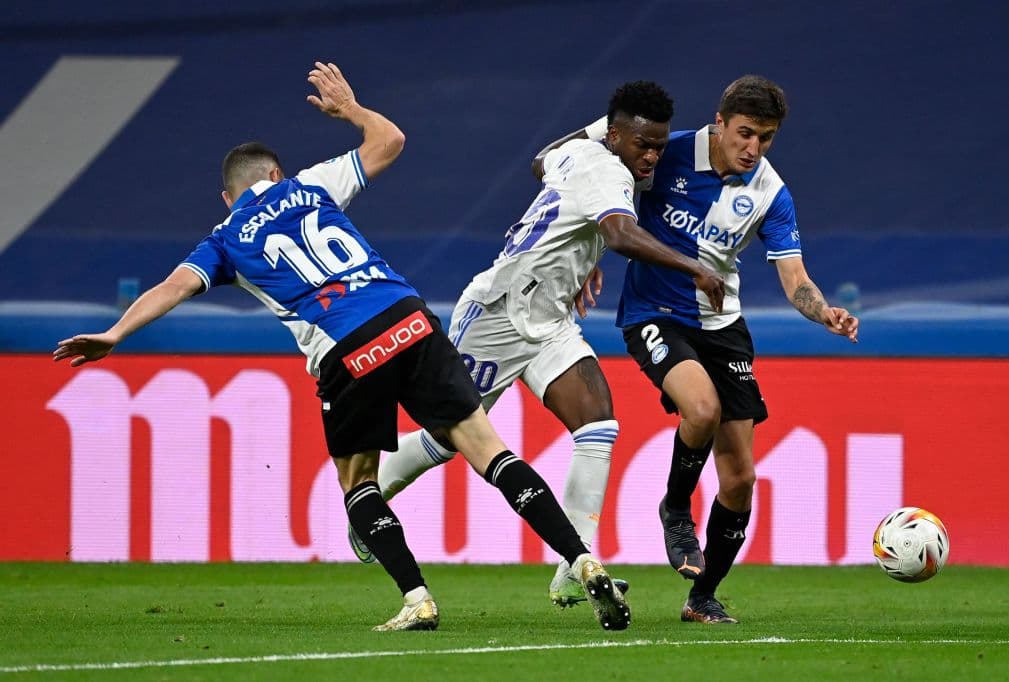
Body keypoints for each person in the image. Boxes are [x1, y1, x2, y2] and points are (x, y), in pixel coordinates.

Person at [52, 61, 632, 633]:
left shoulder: (225, 238)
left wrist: (114, 334)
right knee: (490, 451)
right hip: (409, 316)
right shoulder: (310, 185)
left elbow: (173, 287)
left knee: (358, 486)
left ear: (227, 197)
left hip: (347, 348)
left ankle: (418, 599)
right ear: (275, 173)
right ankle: (581, 559)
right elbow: (392, 140)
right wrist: (350, 110)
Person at [348, 81, 727, 609]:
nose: (652, 156)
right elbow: (619, 234)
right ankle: (368, 500)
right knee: (446, 439)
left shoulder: (577, 151)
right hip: (497, 315)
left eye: (660, 146)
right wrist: (695, 268)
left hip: (549, 320)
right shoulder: (609, 170)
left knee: (598, 422)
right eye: (642, 143)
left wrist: (582, 249)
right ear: (615, 135)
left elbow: (541, 162)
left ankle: (575, 566)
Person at [563, 75, 860, 624]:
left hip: (723, 327)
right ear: (718, 123)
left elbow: (794, 276)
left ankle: (702, 597)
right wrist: (585, 264)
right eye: (745, 134)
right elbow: (598, 203)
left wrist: (825, 312)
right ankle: (677, 509)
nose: (754, 148)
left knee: (741, 478)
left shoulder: (770, 192)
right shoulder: (662, 154)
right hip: (654, 314)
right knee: (701, 407)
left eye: (766, 138)